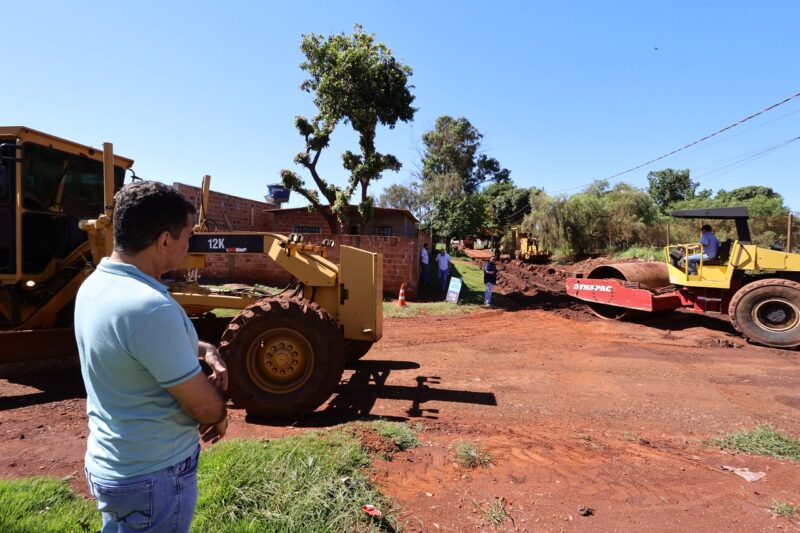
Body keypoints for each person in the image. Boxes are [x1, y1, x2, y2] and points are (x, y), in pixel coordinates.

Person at [75, 181, 229, 533]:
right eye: (188, 236)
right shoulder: (150, 307)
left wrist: (205, 350)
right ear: (163, 241)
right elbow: (203, 407)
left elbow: (134, 349)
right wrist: (220, 416)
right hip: (154, 475)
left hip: (111, 464)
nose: (189, 244)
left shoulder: (95, 286)